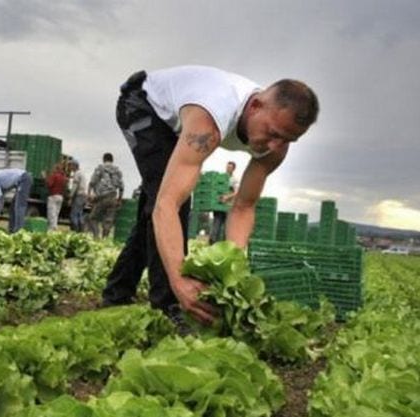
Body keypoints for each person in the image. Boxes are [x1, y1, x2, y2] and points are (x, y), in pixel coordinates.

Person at [102, 65, 318, 327]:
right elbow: (166, 206)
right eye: (273, 133)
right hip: (142, 104)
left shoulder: (276, 146)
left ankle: (116, 293)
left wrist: (230, 268)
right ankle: (170, 306)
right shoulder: (210, 119)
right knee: (169, 198)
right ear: (256, 105)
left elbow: (243, 207)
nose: (275, 146)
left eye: (287, 140)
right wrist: (180, 282)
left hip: (179, 120)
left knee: (154, 204)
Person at [0, 168, 32, 234]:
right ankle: (11, 231)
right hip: (21, 181)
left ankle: (18, 232)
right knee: (12, 208)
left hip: (24, 179)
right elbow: (1, 203)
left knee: (19, 207)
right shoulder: (1, 184)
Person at [87, 152, 124, 239]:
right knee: (108, 220)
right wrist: (119, 199)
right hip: (113, 197)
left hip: (102, 197)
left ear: (104, 159)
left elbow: (92, 182)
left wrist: (89, 194)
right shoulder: (117, 171)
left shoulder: (101, 168)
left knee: (92, 217)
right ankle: (105, 238)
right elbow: (121, 187)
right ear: (112, 160)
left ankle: (96, 236)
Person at [209, 161, 240, 243]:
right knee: (216, 226)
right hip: (218, 206)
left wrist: (227, 197)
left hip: (228, 207)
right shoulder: (220, 177)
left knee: (226, 228)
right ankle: (212, 244)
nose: (228, 168)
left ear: (233, 169)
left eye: (230, 167)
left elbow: (237, 192)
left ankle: (224, 245)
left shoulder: (234, 180)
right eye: (227, 167)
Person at [44, 163, 67, 231]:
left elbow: (49, 184)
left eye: (54, 168)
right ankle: (54, 228)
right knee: (56, 214)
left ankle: (52, 229)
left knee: (51, 214)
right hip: (60, 197)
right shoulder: (63, 177)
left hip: (53, 196)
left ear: (56, 169)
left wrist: (45, 177)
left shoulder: (54, 176)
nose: (53, 170)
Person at [69, 159, 87, 232]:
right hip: (83, 196)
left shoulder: (77, 174)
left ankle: (75, 231)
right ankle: (81, 231)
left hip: (78, 196)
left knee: (74, 214)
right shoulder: (82, 173)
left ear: (74, 166)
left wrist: (70, 197)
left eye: (70, 165)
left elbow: (75, 186)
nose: (70, 167)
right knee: (80, 214)